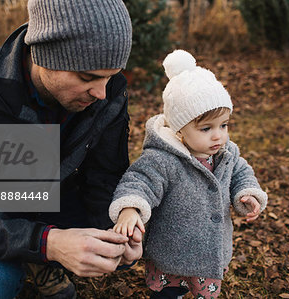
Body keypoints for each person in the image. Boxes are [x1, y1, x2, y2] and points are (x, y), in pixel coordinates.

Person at [0, 0, 143, 298]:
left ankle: (41, 258)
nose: (101, 92)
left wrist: (118, 226)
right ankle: (37, 258)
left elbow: (106, 174)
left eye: (110, 76)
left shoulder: (107, 89)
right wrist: (50, 243)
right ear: (45, 55)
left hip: (59, 195)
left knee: (126, 241)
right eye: (88, 78)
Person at [109, 50, 268, 299]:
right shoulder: (163, 159)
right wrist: (131, 208)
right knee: (168, 294)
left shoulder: (226, 154)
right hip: (169, 255)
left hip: (210, 255)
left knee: (205, 293)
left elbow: (241, 173)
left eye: (224, 125)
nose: (218, 136)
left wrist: (247, 193)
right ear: (179, 129)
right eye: (206, 128)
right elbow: (140, 182)